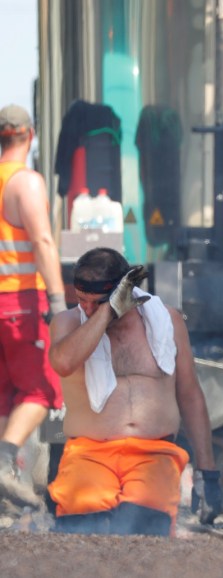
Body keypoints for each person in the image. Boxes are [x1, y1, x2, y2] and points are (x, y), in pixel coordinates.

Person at [47, 247, 222, 535]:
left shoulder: (167, 320)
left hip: (154, 454)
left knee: (143, 528)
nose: (87, 309)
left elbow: (190, 395)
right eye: (82, 301)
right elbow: (64, 363)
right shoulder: (67, 323)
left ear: (125, 292)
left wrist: (208, 473)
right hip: (89, 453)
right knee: (83, 529)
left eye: (97, 302)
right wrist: (105, 312)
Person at [0, 104, 67, 510]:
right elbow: (42, 241)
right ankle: (6, 461)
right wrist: (58, 302)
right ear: (31, 133)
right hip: (21, 299)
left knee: (6, 395)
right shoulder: (25, 182)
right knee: (43, 389)